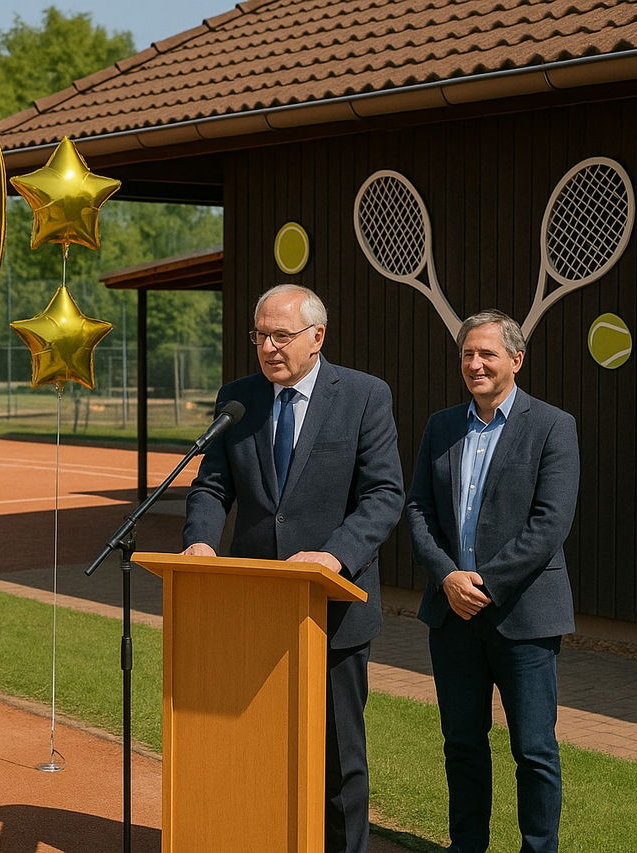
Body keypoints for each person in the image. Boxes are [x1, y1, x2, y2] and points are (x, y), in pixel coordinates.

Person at [182, 283, 404, 853]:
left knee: (338, 758)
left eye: (282, 336)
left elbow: (383, 495)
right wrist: (202, 543)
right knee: (257, 747)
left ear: (317, 337)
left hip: (331, 610)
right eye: (260, 336)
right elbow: (211, 486)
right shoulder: (238, 398)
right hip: (254, 609)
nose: (269, 347)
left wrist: (336, 555)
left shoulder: (363, 395)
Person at [406, 309, 578, 853]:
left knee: (533, 750)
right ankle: (466, 846)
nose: (474, 364)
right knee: (461, 743)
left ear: (516, 360)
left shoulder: (553, 425)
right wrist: (447, 576)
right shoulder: (441, 426)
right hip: (452, 616)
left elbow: (549, 525)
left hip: (524, 616)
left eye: (487, 354)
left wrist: (480, 583)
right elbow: (418, 510)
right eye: (467, 355)